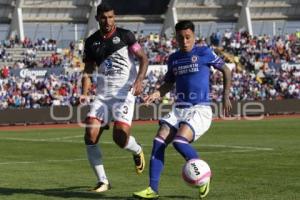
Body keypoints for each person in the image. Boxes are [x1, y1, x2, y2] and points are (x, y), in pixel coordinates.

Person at [133, 20, 232, 199]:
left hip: (199, 109)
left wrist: (225, 95)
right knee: (158, 142)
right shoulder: (174, 58)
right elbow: (168, 84)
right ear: (176, 38)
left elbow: (226, 70)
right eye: (181, 38)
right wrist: (156, 94)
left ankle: (203, 175)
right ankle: (152, 189)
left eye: (188, 37)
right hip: (179, 109)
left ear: (194, 36)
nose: (185, 41)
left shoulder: (204, 52)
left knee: (179, 142)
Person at [80, 2, 148, 193]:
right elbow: (88, 70)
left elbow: (143, 58)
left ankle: (136, 149)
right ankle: (103, 181)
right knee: (90, 135)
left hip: (124, 93)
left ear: (114, 17)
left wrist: (140, 80)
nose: (107, 21)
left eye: (110, 17)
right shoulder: (91, 42)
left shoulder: (126, 36)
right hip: (102, 95)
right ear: (97, 19)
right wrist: (84, 93)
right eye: (103, 17)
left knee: (120, 138)